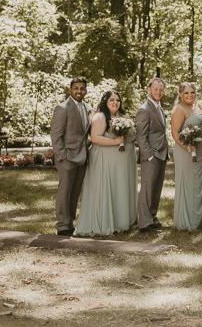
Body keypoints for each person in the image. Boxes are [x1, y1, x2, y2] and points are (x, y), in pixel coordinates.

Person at [76, 90, 137, 236]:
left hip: (118, 164)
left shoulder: (119, 117)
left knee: (117, 189)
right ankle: (103, 222)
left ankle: (119, 222)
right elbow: (96, 138)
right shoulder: (100, 116)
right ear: (105, 102)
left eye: (118, 100)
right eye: (112, 100)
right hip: (104, 161)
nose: (116, 102)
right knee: (106, 189)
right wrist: (115, 142)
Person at [51, 77, 91, 236]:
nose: (79, 91)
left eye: (82, 88)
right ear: (70, 90)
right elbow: (56, 135)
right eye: (76, 88)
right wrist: (63, 156)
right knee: (64, 192)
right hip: (67, 158)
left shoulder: (88, 108)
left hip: (82, 157)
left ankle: (70, 224)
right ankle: (61, 226)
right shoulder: (62, 108)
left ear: (85, 91)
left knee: (75, 193)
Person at [170, 82, 202, 231]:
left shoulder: (196, 108)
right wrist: (188, 148)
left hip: (201, 151)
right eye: (186, 93)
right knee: (188, 184)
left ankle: (197, 221)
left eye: (192, 92)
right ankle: (186, 222)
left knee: (198, 185)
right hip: (186, 152)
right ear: (180, 94)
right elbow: (175, 133)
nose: (190, 95)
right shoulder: (179, 109)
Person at [136, 77, 170, 233]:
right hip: (151, 155)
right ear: (149, 89)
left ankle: (153, 217)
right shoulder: (144, 109)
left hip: (162, 154)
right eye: (155, 89)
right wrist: (149, 155)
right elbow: (141, 136)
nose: (158, 92)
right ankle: (145, 223)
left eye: (161, 89)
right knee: (147, 189)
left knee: (156, 189)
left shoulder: (160, 108)